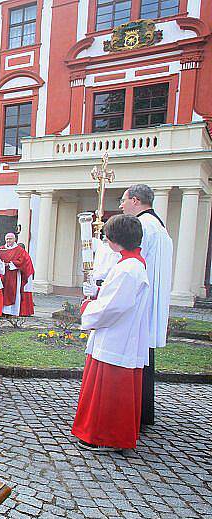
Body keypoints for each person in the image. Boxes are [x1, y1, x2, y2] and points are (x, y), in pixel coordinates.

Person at [73, 214, 150, 451]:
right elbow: (114, 297)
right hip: (121, 336)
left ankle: (102, 436)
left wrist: (89, 308)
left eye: (107, 237)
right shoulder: (131, 264)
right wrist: (99, 291)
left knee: (108, 392)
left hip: (117, 339)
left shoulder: (128, 269)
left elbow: (113, 307)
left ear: (115, 240)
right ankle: (110, 435)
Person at [120, 184, 173, 427]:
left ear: (136, 200)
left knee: (136, 357)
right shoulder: (160, 227)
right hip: (153, 298)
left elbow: (131, 261)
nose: (121, 205)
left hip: (140, 299)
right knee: (145, 357)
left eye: (124, 200)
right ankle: (143, 411)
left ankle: (134, 413)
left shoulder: (142, 227)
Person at [0, 233, 35, 317]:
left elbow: (22, 261)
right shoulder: (1, 249)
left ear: (15, 239)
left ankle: (12, 311)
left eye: (10, 239)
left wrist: (11, 264)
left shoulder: (19, 250)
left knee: (13, 291)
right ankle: (3, 311)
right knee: (3, 291)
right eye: (7, 239)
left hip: (14, 274)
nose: (8, 240)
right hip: (3, 274)